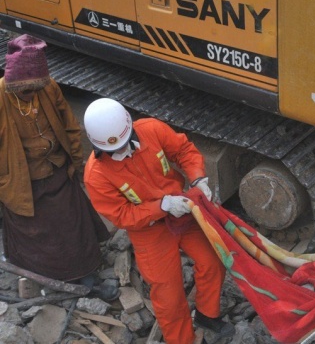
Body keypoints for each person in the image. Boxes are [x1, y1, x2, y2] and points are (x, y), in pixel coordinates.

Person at [83, 98, 234, 344]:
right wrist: (161, 207)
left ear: (130, 128)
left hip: (183, 212)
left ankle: (208, 315)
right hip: (148, 231)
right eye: (113, 152)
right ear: (99, 146)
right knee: (169, 295)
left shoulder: (152, 129)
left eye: (124, 145)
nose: (121, 153)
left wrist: (198, 179)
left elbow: (183, 151)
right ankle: (183, 340)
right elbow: (122, 215)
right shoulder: (96, 175)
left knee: (213, 259)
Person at [0, 34, 117, 300]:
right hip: (22, 181)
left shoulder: (49, 87)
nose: (30, 96)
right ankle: (44, 276)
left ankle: (85, 274)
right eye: (24, 91)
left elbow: (70, 126)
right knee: (34, 234)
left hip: (57, 171)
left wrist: (76, 162)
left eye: (34, 91)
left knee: (72, 226)